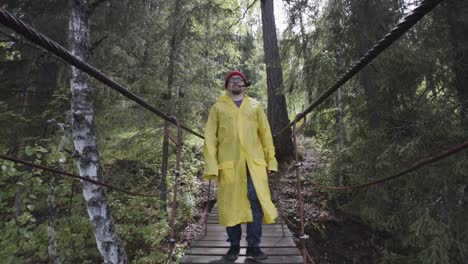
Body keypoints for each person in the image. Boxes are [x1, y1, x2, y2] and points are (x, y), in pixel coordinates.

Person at [203, 70, 278, 261]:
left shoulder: (255, 106)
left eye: (239, 80)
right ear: (226, 86)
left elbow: (266, 135)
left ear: (245, 85)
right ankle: (234, 247)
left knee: (255, 204)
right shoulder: (218, 108)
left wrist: (271, 160)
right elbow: (210, 138)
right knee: (230, 205)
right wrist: (211, 165)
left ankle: (254, 246)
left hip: (254, 164)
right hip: (229, 165)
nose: (236, 82)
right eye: (232, 80)